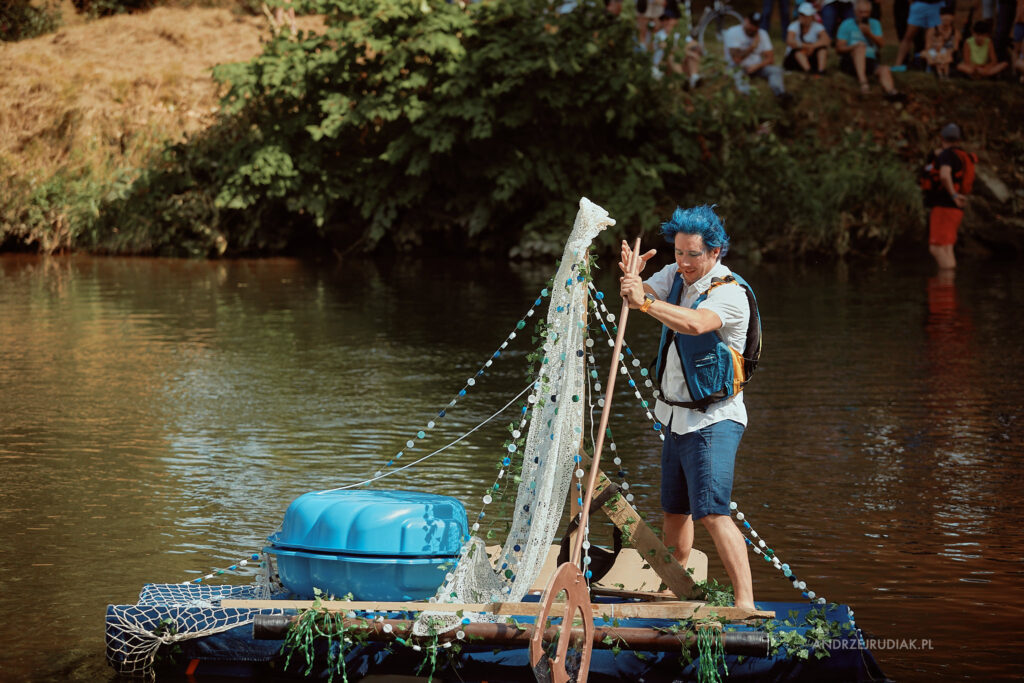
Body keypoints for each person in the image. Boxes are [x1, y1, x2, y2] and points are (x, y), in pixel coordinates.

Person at [618, 205, 759, 612]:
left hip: (714, 421)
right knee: (674, 513)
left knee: (712, 513)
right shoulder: (676, 275)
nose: (682, 262)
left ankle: (745, 604)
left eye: (692, 254)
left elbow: (695, 324)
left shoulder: (730, 292)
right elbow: (642, 295)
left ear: (715, 253)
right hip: (676, 418)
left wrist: (643, 303)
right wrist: (631, 282)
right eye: (677, 252)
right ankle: (674, 591)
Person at [921, 123, 975, 269]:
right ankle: (949, 288)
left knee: (937, 248)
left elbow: (944, 175)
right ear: (958, 140)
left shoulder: (946, 155)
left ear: (941, 138)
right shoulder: (961, 156)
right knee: (946, 248)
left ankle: (945, 287)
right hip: (955, 210)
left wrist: (953, 195)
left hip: (945, 207)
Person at [836, 0, 907, 98]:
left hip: (870, 60)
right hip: (851, 61)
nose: (864, 15)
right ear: (855, 12)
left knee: (884, 69)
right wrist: (854, 47)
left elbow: (881, 44)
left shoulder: (875, 24)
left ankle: (891, 91)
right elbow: (839, 48)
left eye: (866, 12)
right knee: (860, 47)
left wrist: (869, 33)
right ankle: (864, 83)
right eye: (861, 12)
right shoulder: (847, 24)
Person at [723, 11, 792, 101]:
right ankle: (747, 97)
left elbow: (771, 59)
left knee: (776, 70)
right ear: (745, 20)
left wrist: (757, 66)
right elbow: (737, 59)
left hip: (756, 67)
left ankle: (780, 94)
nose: (753, 28)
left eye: (756, 25)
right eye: (751, 24)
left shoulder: (762, 34)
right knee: (738, 76)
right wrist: (752, 47)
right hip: (737, 67)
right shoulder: (733, 32)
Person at [894, 0, 944, 68]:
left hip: (936, 6)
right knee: (908, 36)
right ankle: (898, 64)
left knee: (934, 37)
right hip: (919, 5)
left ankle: (932, 64)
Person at [785, 2, 831, 73]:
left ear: (811, 16)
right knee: (798, 52)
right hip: (795, 58)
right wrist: (807, 47)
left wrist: (812, 46)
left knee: (822, 50)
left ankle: (821, 71)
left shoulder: (817, 26)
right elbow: (790, 41)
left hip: (810, 55)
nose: (803, 18)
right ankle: (809, 71)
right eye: (801, 15)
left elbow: (827, 40)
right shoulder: (794, 26)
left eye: (805, 16)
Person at [924, 8, 960, 78]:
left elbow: (955, 47)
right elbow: (928, 46)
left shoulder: (955, 33)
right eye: (944, 17)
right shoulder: (932, 31)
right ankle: (938, 72)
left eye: (948, 17)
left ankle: (945, 74)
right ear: (940, 17)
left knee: (946, 57)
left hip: (948, 54)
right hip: (935, 53)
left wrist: (946, 53)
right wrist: (937, 51)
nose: (946, 19)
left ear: (952, 18)